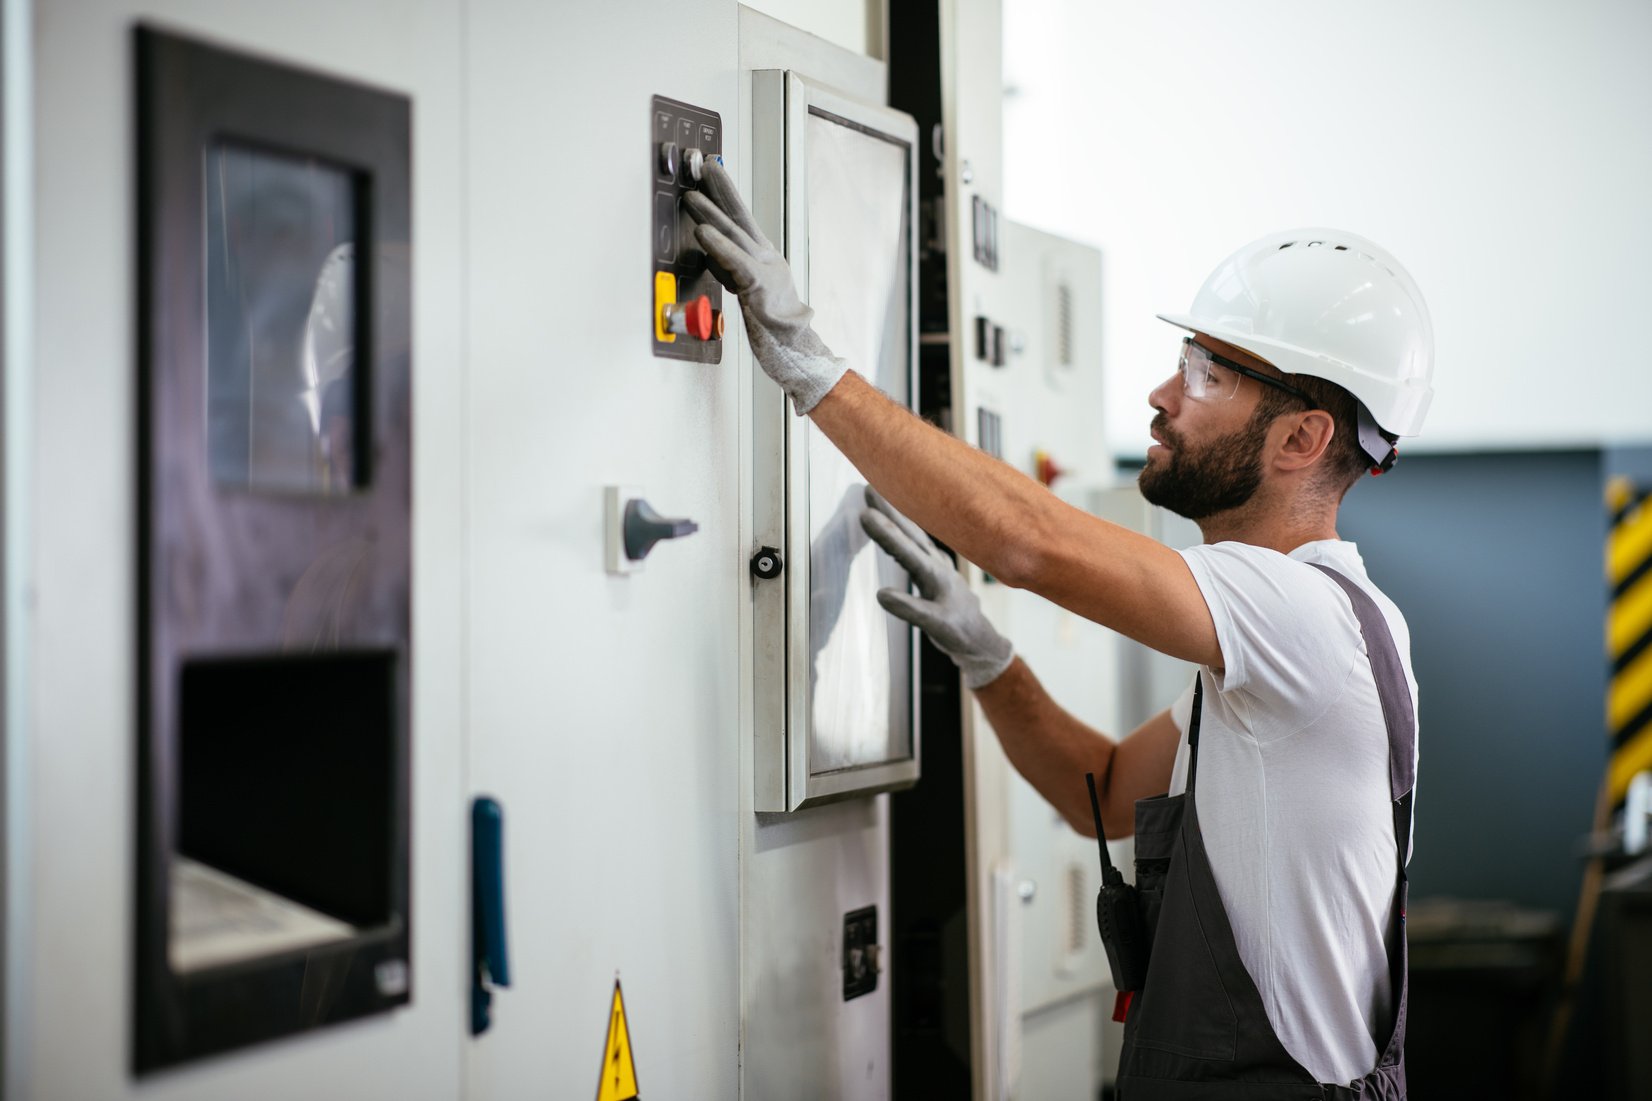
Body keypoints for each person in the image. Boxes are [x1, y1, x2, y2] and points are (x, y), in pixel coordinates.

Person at [686, 162, 1430, 1097]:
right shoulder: (1313, 638)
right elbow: (1105, 792)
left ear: (1301, 440)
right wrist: (985, 656)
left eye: (1204, 372)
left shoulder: (1300, 616)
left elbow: (1031, 541)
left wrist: (808, 360)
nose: (1162, 395)